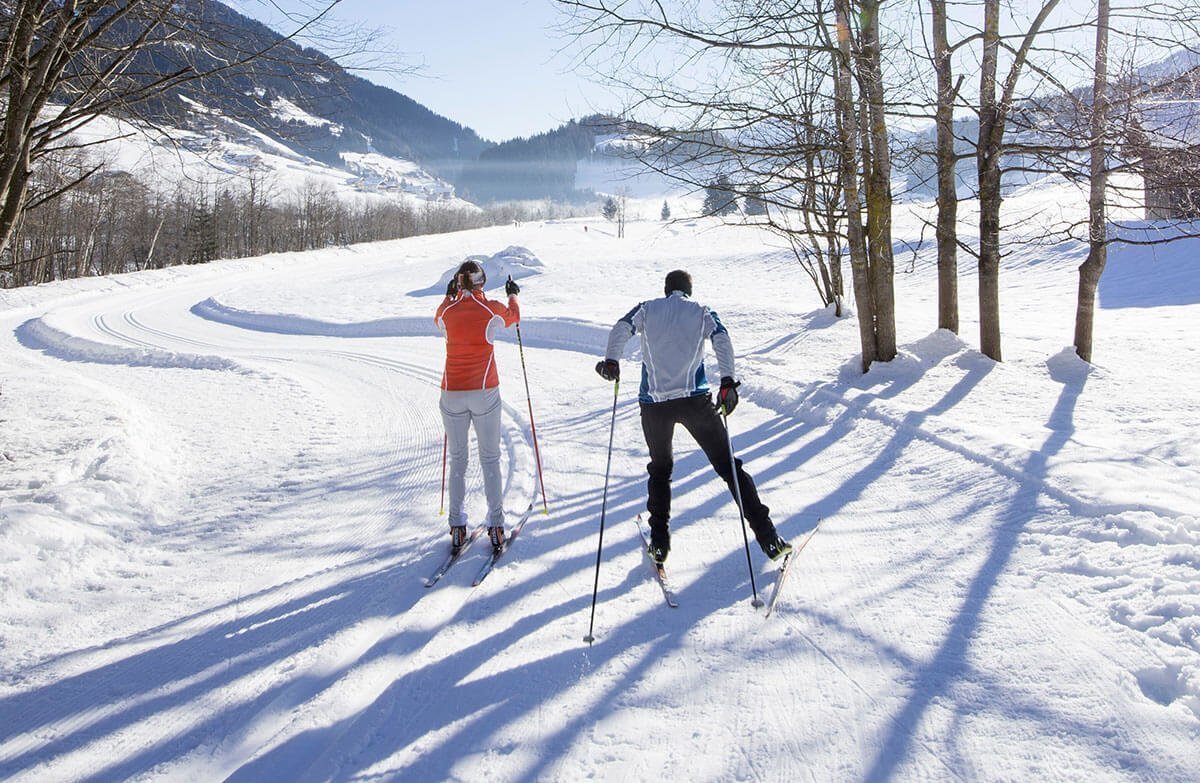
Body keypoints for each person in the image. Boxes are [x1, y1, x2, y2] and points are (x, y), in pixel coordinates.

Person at [596, 269, 791, 564]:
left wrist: (612, 361)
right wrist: (728, 382)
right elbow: (722, 339)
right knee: (730, 468)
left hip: (654, 405)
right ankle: (769, 539)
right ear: (689, 291)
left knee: (661, 470)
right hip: (695, 403)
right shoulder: (701, 311)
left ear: (666, 289)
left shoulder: (647, 309)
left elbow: (622, 327)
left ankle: (659, 543)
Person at [435, 260, 521, 553]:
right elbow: (514, 317)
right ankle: (496, 527)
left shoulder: (446, 311)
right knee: (490, 458)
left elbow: (439, 318)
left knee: (458, 459)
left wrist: (450, 297)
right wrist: (512, 294)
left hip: (451, 394)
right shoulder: (490, 309)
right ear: (481, 282)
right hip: (484, 391)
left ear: (458, 283)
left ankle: (457, 527)